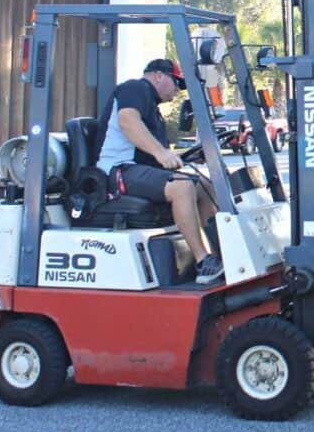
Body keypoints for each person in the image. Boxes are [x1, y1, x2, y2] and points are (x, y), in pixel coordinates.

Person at [95, 58, 223, 284]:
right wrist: (161, 153)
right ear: (158, 76)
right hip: (118, 171)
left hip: (138, 170)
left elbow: (154, 155)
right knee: (182, 188)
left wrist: (183, 157)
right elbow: (127, 121)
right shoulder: (134, 88)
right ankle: (203, 262)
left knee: (205, 186)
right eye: (176, 83)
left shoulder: (153, 109)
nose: (177, 91)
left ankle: (217, 255)